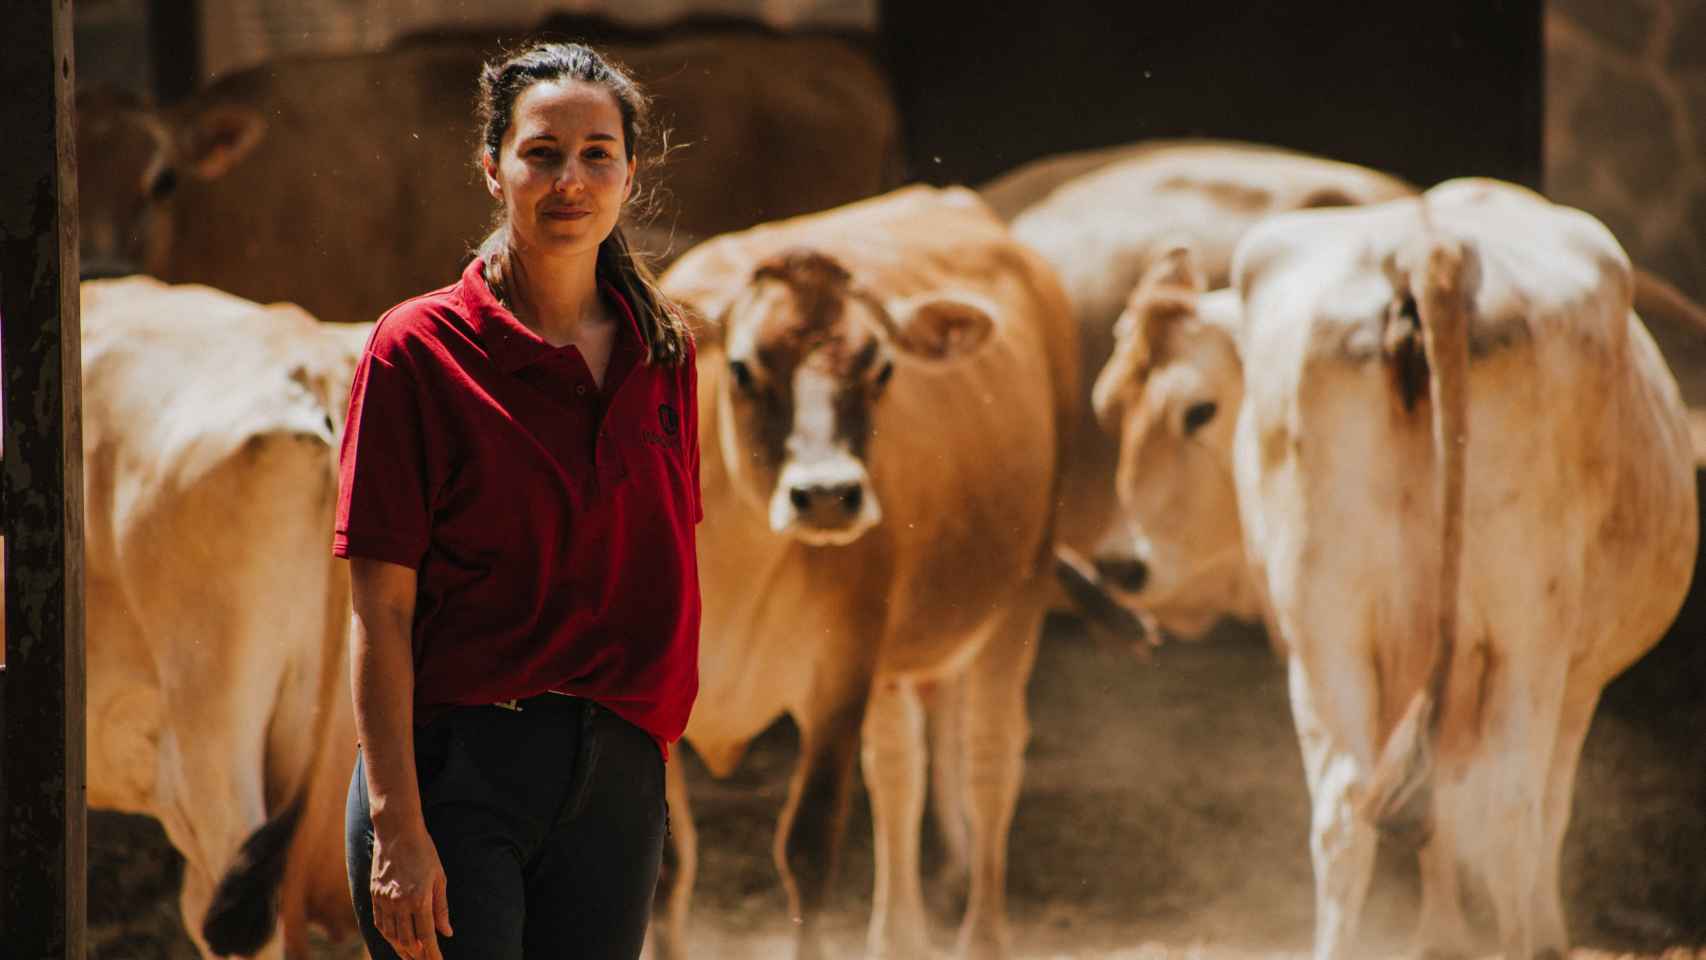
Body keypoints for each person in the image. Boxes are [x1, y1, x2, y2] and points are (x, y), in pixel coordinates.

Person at [335, 41, 701, 960]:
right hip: (456, 775)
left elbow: (662, 567)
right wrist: (398, 829)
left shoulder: (666, 353)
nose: (568, 180)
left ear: (630, 172)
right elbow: (380, 608)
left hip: (615, 779)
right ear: (492, 166)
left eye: (596, 155)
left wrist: (650, 762)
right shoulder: (415, 351)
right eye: (540, 153)